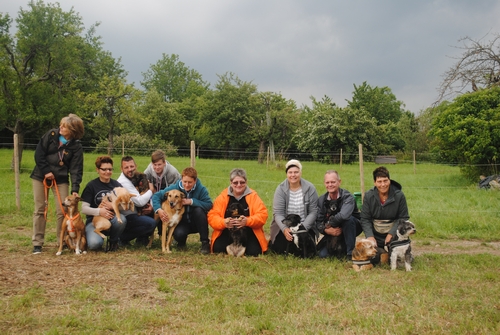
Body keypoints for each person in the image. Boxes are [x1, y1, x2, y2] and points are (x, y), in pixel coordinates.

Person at [31, 114, 84, 254]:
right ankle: (37, 243)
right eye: (61, 125)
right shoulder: (51, 134)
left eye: (64, 126)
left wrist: (75, 188)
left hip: (60, 179)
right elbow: (39, 154)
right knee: (40, 209)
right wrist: (46, 171)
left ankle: (61, 242)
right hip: (40, 175)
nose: (60, 127)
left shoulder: (76, 147)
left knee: (62, 210)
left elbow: (76, 169)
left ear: (72, 131)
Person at [208, 168, 268, 256]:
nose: (239, 185)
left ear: (246, 182)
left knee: (254, 252)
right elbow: (212, 216)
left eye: (242, 182)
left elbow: (262, 215)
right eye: (235, 182)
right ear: (231, 183)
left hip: (248, 230)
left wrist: (247, 221)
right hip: (227, 230)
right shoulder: (223, 197)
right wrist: (224, 222)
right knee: (218, 249)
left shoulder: (253, 196)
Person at [152, 167, 212, 254]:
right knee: (179, 234)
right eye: (185, 182)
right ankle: (181, 241)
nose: (187, 185)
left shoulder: (201, 189)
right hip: (181, 222)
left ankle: (205, 243)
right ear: (181, 179)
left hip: (196, 222)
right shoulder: (174, 188)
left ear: (195, 181)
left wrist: (191, 201)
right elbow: (156, 196)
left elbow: (209, 204)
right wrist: (159, 210)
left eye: (190, 182)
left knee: (199, 211)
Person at [269, 159, 318, 256]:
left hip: (305, 226)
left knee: (307, 251)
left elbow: (314, 211)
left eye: (296, 172)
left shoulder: (310, 188)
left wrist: (303, 227)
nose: (293, 175)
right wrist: (284, 229)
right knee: (278, 250)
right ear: (286, 174)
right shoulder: (280, 189)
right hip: (287, 226)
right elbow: (278, 213)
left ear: (301, 172)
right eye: (290, 172)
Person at [360, 166, 410, 259]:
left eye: (385, 181)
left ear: (389, 180)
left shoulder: (399, 195)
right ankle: (381, 251)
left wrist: (391, 233)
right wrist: (370, 236)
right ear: (374, 183)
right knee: (374, 258)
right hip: (376, 232)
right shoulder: (368, 196)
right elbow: (365, 218)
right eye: (379, 181)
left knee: (399, 258)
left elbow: (403, 217)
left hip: (394, 232)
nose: (383, 184)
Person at [81, 156, 127, 251]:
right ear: (97, 170)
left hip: (112, 218)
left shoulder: (117, 185)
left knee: (122, 219)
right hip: (94, 222)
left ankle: (114, 241)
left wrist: (113, 207)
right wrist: (99, 211)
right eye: (104, 169)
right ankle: (97, 238)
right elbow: (84, 209)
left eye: (110, 169)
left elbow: (125, 207)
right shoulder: (91, 186)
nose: (107, 172)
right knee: (94, 244)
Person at [316, 170, 362, 260]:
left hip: (351, 227)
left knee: (348, 219)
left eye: (333, 182)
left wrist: (328, 224)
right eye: (327, 182)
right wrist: (327, 230)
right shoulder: (321, 200)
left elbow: (343, 216)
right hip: (331, 231)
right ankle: (340, 248)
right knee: (323, 255)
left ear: (339, 182)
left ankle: (350, 253)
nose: (330, 185)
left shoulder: (348, 197)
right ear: (324, 183)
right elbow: (318, 221)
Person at [117, 156, 157, 246]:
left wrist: (151, 206)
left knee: (150, 210)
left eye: (131, 166)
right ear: (121, 169)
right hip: (125, 216)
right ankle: (121, 238)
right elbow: (140, 201)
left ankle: (142, 239)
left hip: (134, 211)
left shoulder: (135, 177)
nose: (130, 169)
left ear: (136, 166)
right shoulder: (123, 182)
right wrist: (151, 190)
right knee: (151, 223)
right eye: (126, 167)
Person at [143, 149, 181, 238]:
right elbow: (145, 183)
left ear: (164, 163)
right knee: (148, 208)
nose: (157, 167)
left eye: (159, 164)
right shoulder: (148, 171)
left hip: (169, 195)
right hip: (154, 193)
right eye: (155, 165)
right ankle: (145, 235)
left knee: (165, 210)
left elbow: (174, 191)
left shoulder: (173, 173)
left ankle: (168, 235)